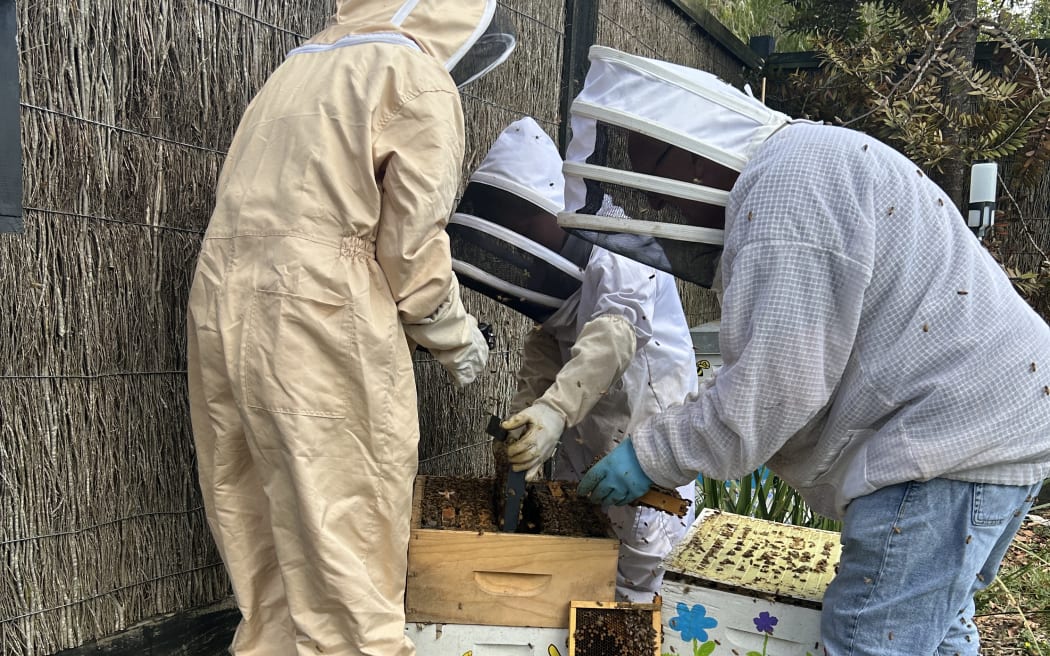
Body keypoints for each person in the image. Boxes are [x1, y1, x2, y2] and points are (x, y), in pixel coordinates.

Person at [563, 46, 1050, 655]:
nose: (657, 203)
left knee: (868, 640)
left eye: (658, 175)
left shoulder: (786, 189)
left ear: (691, 151)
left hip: (948, 442)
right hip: (989, 423)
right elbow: (778, 367)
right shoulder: (802, 166)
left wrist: (651, 455)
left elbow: (771, 390)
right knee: (938, 631)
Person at [185, 3, 515, 655]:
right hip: (319, 315)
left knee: (261, 536)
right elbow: (412, 249)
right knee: (347, 538)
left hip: (222, 298)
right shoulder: (413, 73)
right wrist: (456, 337)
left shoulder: (295, 68)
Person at [447, 116, 699, 602]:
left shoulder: (623, 251)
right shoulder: (559, 278)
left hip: (645, 459)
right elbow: (547, 348)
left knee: (635, 591)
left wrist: (555, 410)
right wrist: (526, 418)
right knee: (572, 582)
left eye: (517, 218)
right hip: (584, 452)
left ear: (551, 204)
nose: (511, 234)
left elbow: (614, 335)